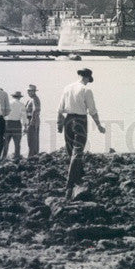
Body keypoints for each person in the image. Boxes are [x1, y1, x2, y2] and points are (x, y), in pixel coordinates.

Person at [57, 68, 105, 201]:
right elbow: (92, 110)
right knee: (77, 151)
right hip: (80, 121)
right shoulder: (86, 90)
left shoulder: (67, 88)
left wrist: (59, 124)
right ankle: (70, 184)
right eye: (89, 80)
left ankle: (78, 176)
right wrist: (99, 125)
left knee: (70, 150)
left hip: (68, 119)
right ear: (87, 78)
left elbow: (60, 109)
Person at [1, 91, 27, 163]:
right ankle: (16, 158)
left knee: (6, 143)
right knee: (17, 143)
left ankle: (3, 157)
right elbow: (24, 117)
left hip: (8, 123)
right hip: (17, 124)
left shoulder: (8, 103)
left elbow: (3, 114)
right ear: (19, 97)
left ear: (13, 96)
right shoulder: (21, 104)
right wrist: (25, 127)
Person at [25, 84, 41, 156]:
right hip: (31, 119)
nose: (28, 92)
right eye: (28, 91)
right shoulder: (31, 99)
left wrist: (32, 119)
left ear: (34, 91)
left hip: (33, 120)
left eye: (30, 91)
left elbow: (36, 109)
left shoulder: (35, 99)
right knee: (31, 139)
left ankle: (32, 156)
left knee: (32, 140)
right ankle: (32, 155)